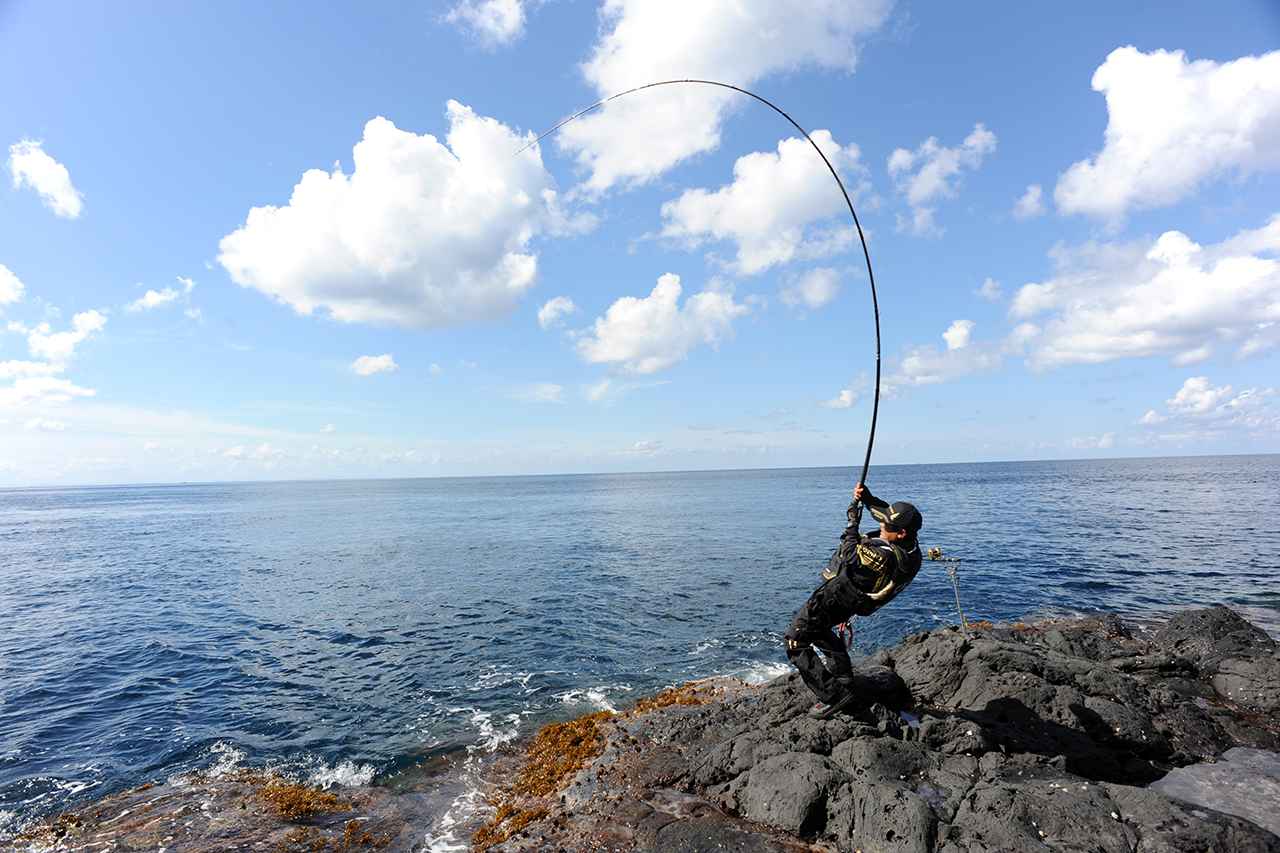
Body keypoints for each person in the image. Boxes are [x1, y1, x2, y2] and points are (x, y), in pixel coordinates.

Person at [784, 482, 923, 718]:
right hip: (856, 601)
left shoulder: (881, 556)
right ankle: (844, 679)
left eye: (887, 525)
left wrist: (852, 523)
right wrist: (867, 498)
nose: (881, 524)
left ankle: (835, 696)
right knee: (818, 629)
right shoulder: (911, 550)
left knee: (795, 640)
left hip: (838, 596)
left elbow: (849, 554)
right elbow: (884, 514)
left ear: (901, 533)